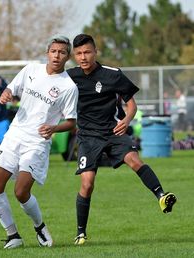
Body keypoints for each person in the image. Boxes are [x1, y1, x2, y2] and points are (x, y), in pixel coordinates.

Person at [67, 34, 177, 246]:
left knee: (135, 160)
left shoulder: (113, 75)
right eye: (79, 53)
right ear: (74, 55)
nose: (83, 57)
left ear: (95, 52)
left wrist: (126, 120)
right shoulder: (69, 77)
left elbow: (132, 105)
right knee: (87, 184)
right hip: (88, 137)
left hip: (113, 131)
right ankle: (81, 233)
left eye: (87, 52)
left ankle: (162, 196)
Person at [0, 35, 78, 249]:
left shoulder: (68, 86)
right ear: (47, 52)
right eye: (54, 51)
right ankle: (13, 235)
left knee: (21, 192)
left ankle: (39, 226)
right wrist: (6, 94)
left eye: (62, 52)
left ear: (68, 56)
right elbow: (11, 89)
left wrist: (54, 128)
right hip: (15, 135)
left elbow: (72, 122)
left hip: (37, 142)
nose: (57, 55)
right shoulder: (31, 70)